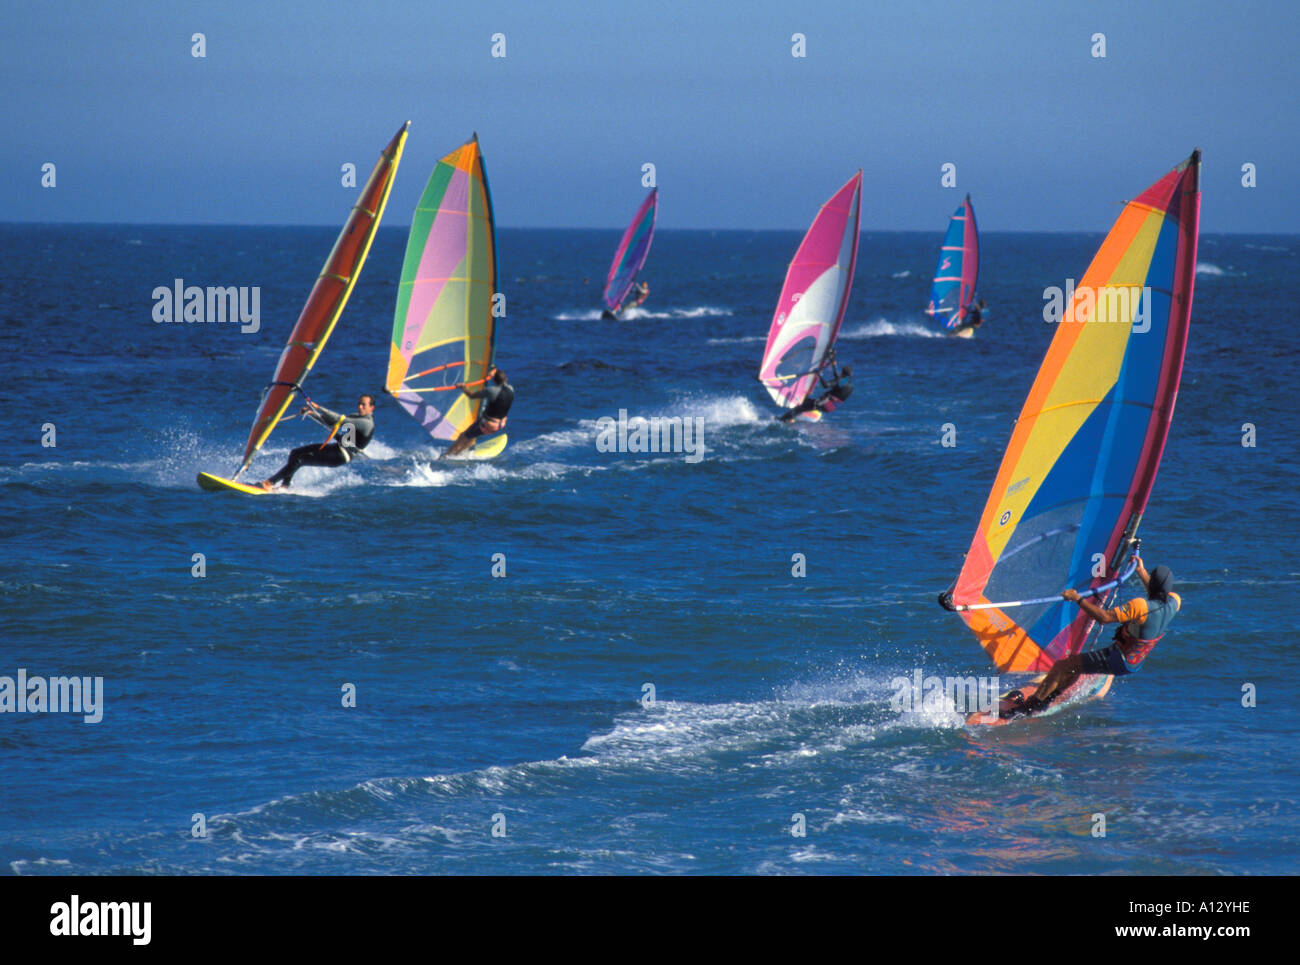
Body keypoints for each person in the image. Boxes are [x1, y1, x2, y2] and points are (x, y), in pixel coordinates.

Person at [1012, 557, 1181, 715]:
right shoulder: (1175, 602)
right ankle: (1048, 698)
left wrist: (1077, 599)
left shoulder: (1140, 606)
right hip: (1134, 663)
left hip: (1117, 658)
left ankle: (1029, 707)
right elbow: (1156, 592)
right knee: (1075, 665)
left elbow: (1104, 618)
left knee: (1061, 666)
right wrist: (1141, 571)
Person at [259, 394, 375, 490]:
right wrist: (312, 414)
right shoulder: (354, 417)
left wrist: (319, 407)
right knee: (295, 453)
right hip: (335, 448)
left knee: (301, 460)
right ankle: (285, 486)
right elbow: (331, 423)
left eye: (364, 405)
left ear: (371, 408)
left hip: (341, 456)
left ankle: (270, 483)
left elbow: (339, 419)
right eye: (359, 404)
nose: (360, 407)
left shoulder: (366, 423)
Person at [444, 367, 513, 457]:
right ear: (505, 379)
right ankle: (461, 452)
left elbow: (472, 396)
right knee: (472, 435)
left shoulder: (491, 391)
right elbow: (500, 381)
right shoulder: (511, 389)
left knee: (463, 436)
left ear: (495, 380)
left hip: (488, 424)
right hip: (500, 424)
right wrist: (493, 374)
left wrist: (463, 387)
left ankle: (447, 456)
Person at [779, 354, 853, 422]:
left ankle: (782, 420)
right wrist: (833, 363)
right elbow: (837, 378)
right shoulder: (849, 385)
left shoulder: (840, 381)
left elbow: (826, 385)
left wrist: (818, 374)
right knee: (805, 401)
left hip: (823, 404)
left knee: (800, 407)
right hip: (830, 407)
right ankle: (795, 416)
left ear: (843, 373)